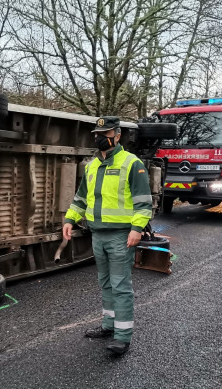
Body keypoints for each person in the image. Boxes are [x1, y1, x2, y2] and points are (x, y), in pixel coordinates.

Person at [63, 116, 152, 356]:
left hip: (121, 235)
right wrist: (70, 219)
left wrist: (136, 229)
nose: (99, 137)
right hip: (98, 234)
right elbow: (81, 198)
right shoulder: (91, 165)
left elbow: (144, 202)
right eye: (97, 134)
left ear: (118, 135)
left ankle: (122, 336)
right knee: (105, 283)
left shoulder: (132, 163)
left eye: (106, 133)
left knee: (120, 285)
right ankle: (109, 326)